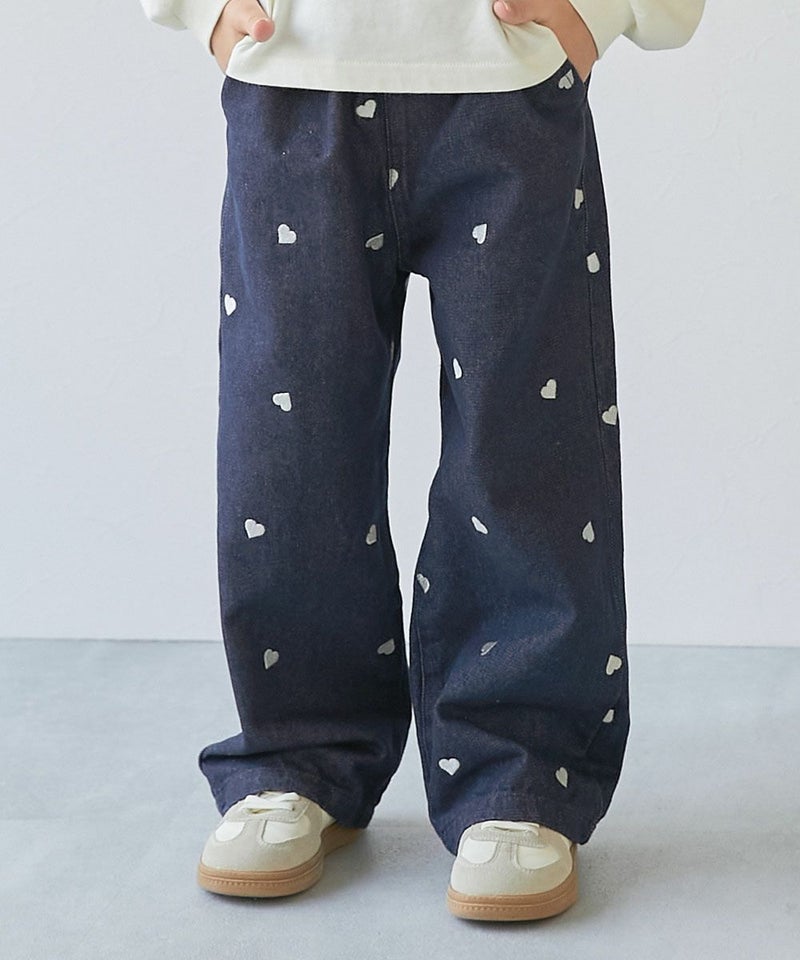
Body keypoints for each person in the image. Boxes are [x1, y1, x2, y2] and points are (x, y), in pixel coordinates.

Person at [139, 0, 706, 922]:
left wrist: (605, 11)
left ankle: (519, 769)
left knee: (523, 441)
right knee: (289, 448)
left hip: (507, 88)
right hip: (295, 79)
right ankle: (298, 752)